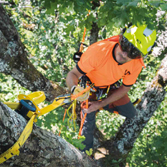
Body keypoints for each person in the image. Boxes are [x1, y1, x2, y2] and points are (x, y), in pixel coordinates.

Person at [66, 24, 156, 152]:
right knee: (87, 124)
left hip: (108, 88)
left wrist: (101, 103)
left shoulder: (136, 64)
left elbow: (125, 88)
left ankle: (99, 106)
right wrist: (75, 90)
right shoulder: (98, 52)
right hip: (88, 89)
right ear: (120, 38)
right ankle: (85, 156)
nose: (125, 53)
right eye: (125, 45)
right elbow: (72, 74)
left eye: (133, 52)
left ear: (139, 55)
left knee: (131, 113)